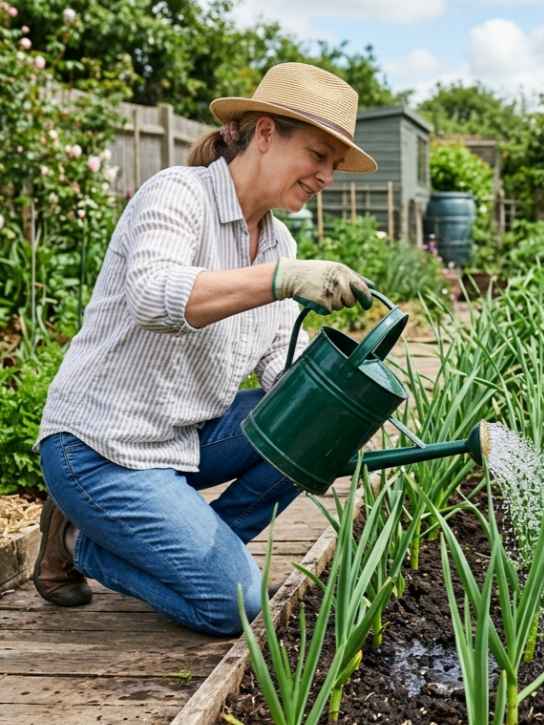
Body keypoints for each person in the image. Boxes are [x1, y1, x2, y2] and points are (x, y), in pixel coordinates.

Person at [30, 63, 377, 637]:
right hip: (99, 448)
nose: (326, 177)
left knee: (311, 429)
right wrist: (280, 280)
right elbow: (153, 296)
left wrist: (343, 402)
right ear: (265, 133)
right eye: (318, 156)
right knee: (236, 605)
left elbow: (279, 365)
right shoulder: (177, 195)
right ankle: (76, 537)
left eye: (334, 166)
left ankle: (179, 550)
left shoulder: (278, 241)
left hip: (184, 439)